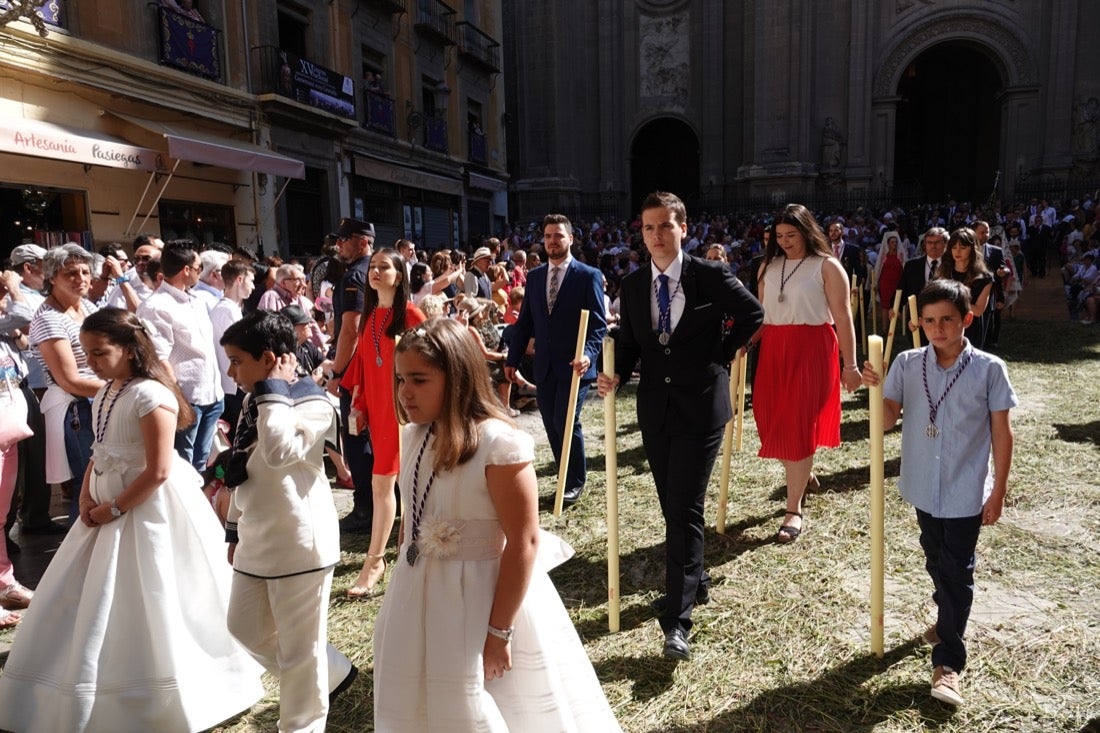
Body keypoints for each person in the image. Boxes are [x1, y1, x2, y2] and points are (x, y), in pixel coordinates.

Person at [0, 308, 264, 732]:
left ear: (128, 348)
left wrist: (116, 507)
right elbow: (99, 449)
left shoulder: (150, 395)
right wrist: (87, 494)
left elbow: (158, 470)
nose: (94, 362)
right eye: (87, 354)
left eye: (101, 352)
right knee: (95, 592)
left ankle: (168, 682)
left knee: (157, 587)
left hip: (148, 509)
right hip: (104, 504)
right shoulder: (107, 391)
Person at [373, 318, 623, 731]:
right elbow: (413, 517)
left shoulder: (498, 444)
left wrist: (498, 632)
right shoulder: (416, 436)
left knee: (483, 702)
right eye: (401, 379)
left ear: (456, 378)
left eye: (419, 379)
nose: (405, 392)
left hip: (481, 597)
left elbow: (524, 541)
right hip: (418, 593)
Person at [596, 192, 763, 661]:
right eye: (648, 228)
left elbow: (752, 313)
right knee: (672, 505)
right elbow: (631, 343)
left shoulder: (707, 275)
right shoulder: (631, 286)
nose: (657, 235)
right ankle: (698, 577)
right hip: (655, 410)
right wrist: (613, 370)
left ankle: (677, 619)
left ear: (683, 228)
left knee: (685, 506)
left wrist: (721, 353)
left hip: (701, 408)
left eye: (665, 226)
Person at [861, 279, 1017, 707]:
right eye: (929, 321)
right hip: (922, 487)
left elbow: (1003, 434)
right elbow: (888, 419)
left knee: (956, 571)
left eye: (948, 319)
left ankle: (948, 660)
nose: (938, 328)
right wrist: (872, 388)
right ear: (919, 322)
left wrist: (998, 490)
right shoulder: (908, 364)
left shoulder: (989, 369)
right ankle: (947, 612)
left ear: (967, 319)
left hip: (965, 490)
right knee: (935, 559)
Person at [220, 310, 357, 732]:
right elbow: (244, 466)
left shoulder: (313, 402)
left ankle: (301, 724)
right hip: (257, 536)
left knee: (300, 651)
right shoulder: (254, 399)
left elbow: (279, 453)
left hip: (300, 541)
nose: (230, 370)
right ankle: (330, 671)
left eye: (238, 360)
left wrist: (275, 388)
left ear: (268, 358)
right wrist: (234, 528)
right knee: (243, 627)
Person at [752, 204, 862, 543]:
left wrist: (851, 364)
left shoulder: (827, 266)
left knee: (799, 424)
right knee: (771, 420)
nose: (785, 241)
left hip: (813, 348)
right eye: (780, 236)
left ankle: (793, 509)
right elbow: (762, 314)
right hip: (773, 349)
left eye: (792, 235)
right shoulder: (767, 266)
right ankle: (803, 474)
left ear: (807, 232)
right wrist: (741, 342)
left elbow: (843, 317)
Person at [505, 214, 607, 507]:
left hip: (576, 367)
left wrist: (587, 354)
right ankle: (565, 473)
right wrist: (512, 359)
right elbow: (525, 323)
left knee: (566, 421)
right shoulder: (535, 277)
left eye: (558, 236)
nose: (552, 241)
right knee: (551, 423)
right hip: (544, 366)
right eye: (548, 236)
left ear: (570, 239)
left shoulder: (588, 275)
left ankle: (574, 481)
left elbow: (598, 323)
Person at [343, 249, 426, 597]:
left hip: (404, 412)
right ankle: (401, 549)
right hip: (377, 410)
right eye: (373, 267)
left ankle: (375, 559)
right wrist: (358, 405)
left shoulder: (410, 314)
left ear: (399, 274)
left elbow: (431, 364)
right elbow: (362, 365)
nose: (375, 272)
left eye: (384, 267)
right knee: (393, 483)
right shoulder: (369, 318)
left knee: (386, 483)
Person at [28, 243, 104, 523]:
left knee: (103, 485)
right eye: (71, 272)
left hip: (100, 401)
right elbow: (69, 379)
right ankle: (79, 561)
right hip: (79, 409)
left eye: (85, 271)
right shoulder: (49, 318)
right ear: (51, 277)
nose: (81, 278)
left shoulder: (87, 306)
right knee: (89, 488)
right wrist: (122, 387)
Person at [325, 218, 375, 532]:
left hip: (357, 371)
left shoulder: (357, 274)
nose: (338, 245)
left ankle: (365, 509)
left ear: (360, 241)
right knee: (374, 436)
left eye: (343, 240)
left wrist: (338, 371)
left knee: (357, 437)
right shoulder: (380, 270)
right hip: (376, 366)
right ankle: (381, 499)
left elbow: (351, 330)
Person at [938, 227, 993, 349]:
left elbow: (978, 311)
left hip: (970, 327)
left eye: (962, 248)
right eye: (954, 247)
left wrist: (952, 300)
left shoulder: (984, 279)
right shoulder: (943, 273)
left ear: (972, 249)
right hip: (945, 325)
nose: (957, 251)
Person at [874, 231, 906, 333]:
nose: (894, 244)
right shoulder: (884, 257)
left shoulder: (901, 256)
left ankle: (904, 327)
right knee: (885, 306)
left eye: (896, 242)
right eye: (892, 242)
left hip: (897, 284)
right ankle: (884, 328)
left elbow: (905, 268)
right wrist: (875, 282)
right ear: (888, 244)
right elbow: (879, 269)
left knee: (899, 305)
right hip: (885, 285)